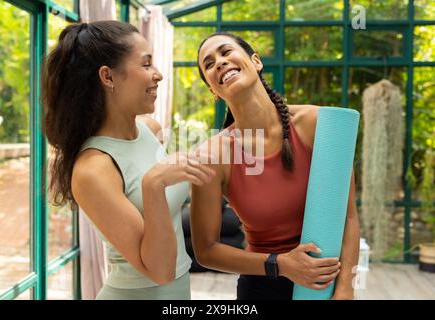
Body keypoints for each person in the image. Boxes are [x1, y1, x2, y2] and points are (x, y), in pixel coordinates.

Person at [42, 21, 215, 300]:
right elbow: (160, 272)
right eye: (146, 65)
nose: (157, 74)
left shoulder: (150, 130)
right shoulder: (93, 169)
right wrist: (154, 183)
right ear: (108, 77)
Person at [191, 32, 360, 300]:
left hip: (325, 284)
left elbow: (348, 215)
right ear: (213, 90)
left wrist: (345, 288)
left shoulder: (317, 124)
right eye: (209, 64)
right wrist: (281, 264)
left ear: (256, 61)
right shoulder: (212, 155)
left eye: (226, 52)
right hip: (263, 286)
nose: (219, 63)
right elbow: (207, 250)